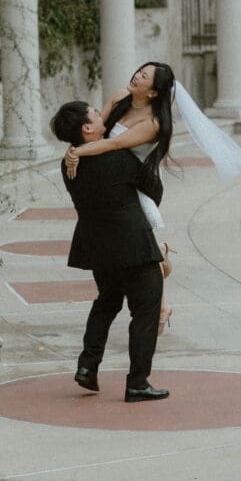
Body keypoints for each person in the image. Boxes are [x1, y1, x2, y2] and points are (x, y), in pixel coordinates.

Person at [50, 100, 169, 403]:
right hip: (133, 244)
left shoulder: (69, 163)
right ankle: (138, 383)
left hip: (98, 245)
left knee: (107, 303)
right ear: (88, 128)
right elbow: (154, 189)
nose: (100, 113)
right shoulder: (118, 155)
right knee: (145, 311)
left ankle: (88, 366)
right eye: (94, 113)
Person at [65, 62, 176, 332]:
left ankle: (159, 289)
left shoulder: (153, 123)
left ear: (152, 92)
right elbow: (94, 130)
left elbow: (114, 143)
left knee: (141, 245)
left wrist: (77, 154)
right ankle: (159, 268)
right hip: (114, 180)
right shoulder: (118, 98)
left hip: (138, 184)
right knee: (138, 251)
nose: (136, 75)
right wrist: (74, 148)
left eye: (144, 76)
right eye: (139, 70)